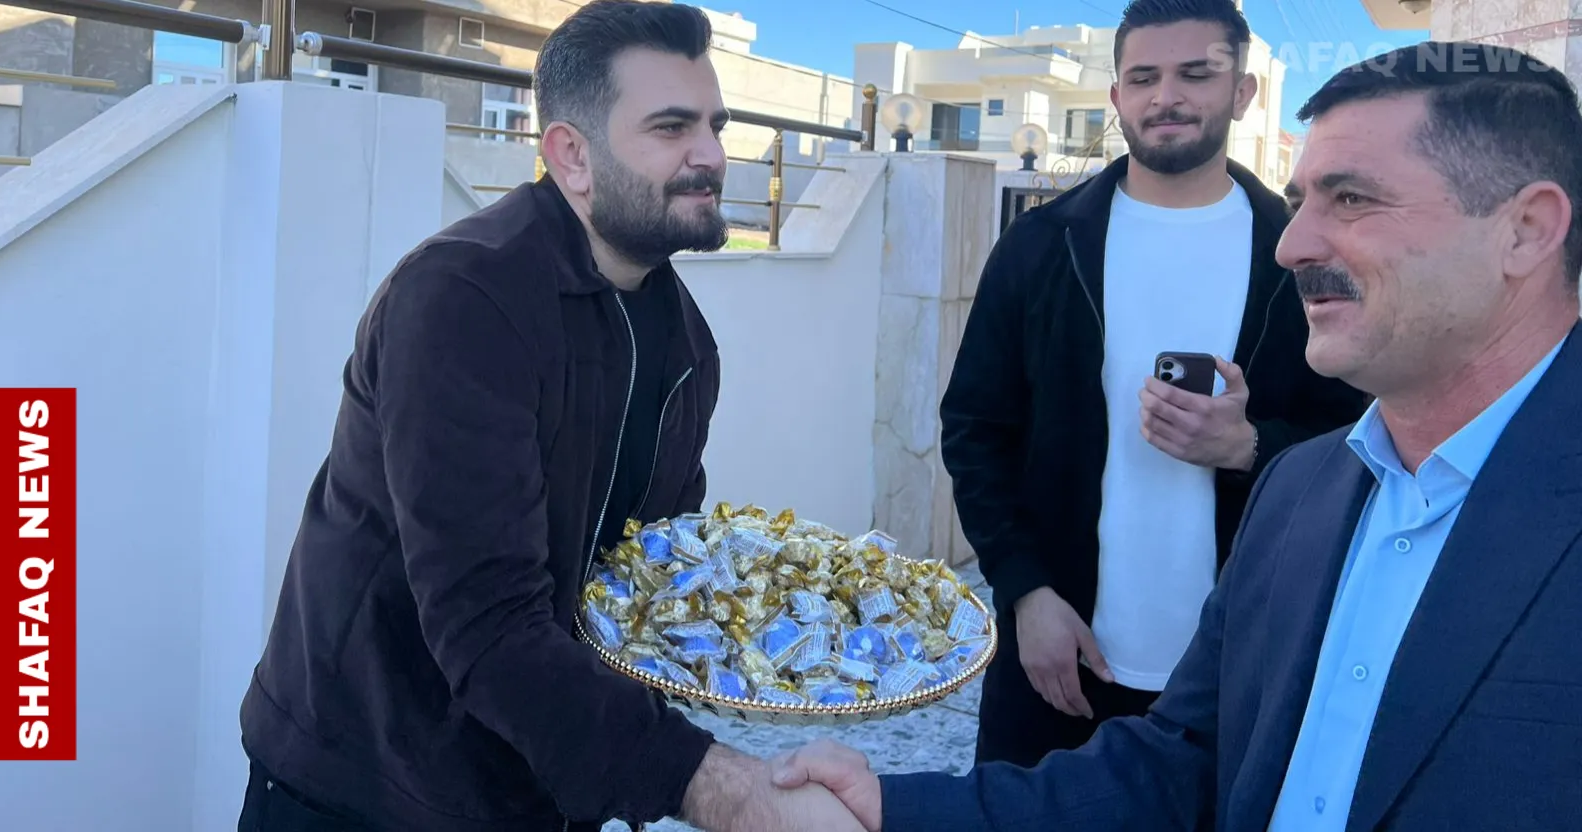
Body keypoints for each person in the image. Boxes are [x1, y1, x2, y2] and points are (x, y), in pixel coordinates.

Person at [771, 39, 1582, 832]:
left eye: (1353, 199)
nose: (1295, 245)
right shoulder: (1303, 491)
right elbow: (1179, 765)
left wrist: (1245, 446)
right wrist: (895, 804)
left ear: (1526, 230)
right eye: (1304, 200)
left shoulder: (1297, 465)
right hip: (1072, 663)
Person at [235, 2, 861, 831]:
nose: (711, 154)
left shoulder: (685, 339)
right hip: (368, 788)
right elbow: (487, 621)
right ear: (571, 155)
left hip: (543, 792)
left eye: (715, 126)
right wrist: (727, 790)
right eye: (671, 127)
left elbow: (644, 578)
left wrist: (792, 629)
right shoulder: (464, 300)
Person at [940, 0, 1366, 768]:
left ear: (1242, 92)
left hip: (1241, 668)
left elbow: (1362, 441)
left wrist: (1248, 447)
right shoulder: (1042, 245)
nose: (1165, 96)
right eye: (1143, 78)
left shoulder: (1299, 257)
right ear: (1117, 97)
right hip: (1060, 659)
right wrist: (1025, 592)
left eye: (1195, 74)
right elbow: (976, 429)